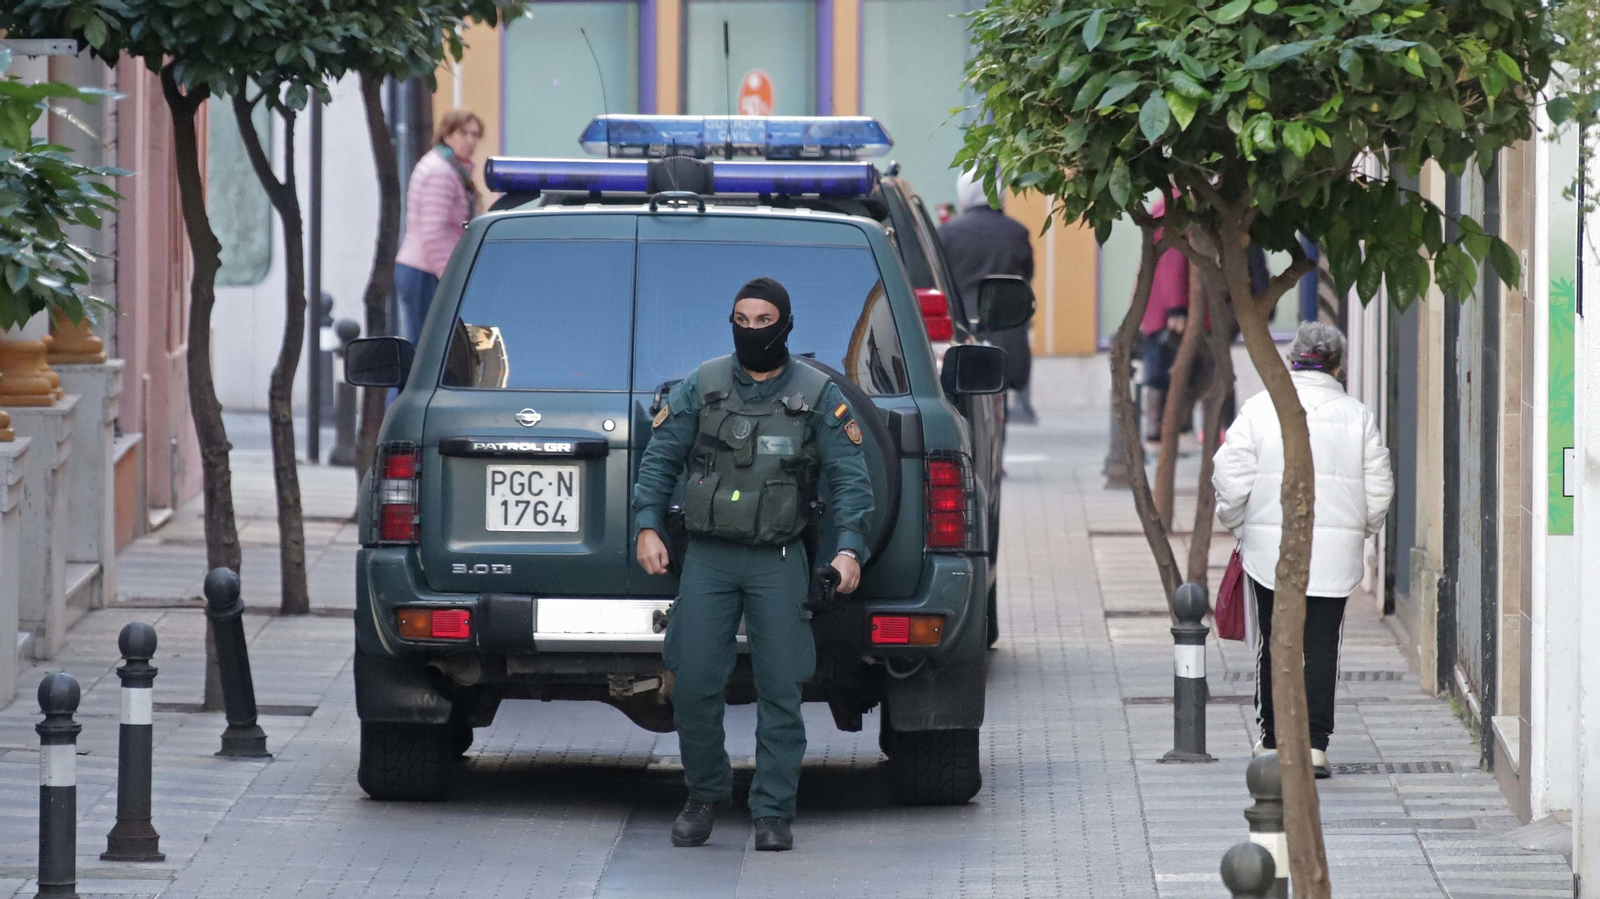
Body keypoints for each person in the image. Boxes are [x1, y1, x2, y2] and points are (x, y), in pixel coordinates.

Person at [633, 277, 874, 852]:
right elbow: (660, 456)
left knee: (782, 688)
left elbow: (851, 480)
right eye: (741, 320)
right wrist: (646, 524)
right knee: (692, 683)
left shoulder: (817, 394)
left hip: (778, 559)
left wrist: (847, 551)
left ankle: (773, 810)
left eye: (764, 320)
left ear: (785, 325)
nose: (752, 331)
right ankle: (703, 795)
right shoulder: (704, 385)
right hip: (709, 558)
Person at [1211, 321, 1393, 778]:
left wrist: (1241, 526)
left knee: (1275, 640)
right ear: (1338, 367)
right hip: (1335, 555)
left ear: (1291, 361)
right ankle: (1313, 745)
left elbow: (1230, 479)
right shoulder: (1358, 416)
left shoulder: (1260, 409)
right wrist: (1357, 531)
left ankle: (1274, 739)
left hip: (1269, 552)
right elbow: (1379, 490)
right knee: (1322, 644)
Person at [938, 169, 1037, 423]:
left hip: (961, 330)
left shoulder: (947, 233)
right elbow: (1026, 277)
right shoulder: (1016, 232)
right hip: (1005, 328)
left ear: (963, 195)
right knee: (998, 403)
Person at [394, 109, 482, 344]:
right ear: (447, 134)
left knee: (426, 345)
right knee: (427, 347)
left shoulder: (448, 167)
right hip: (426, 270)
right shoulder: (441, 172)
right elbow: (433, 232)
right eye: (463, 133)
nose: (470, 140)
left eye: (475, 134)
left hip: (424, 268)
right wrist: (448, 276)